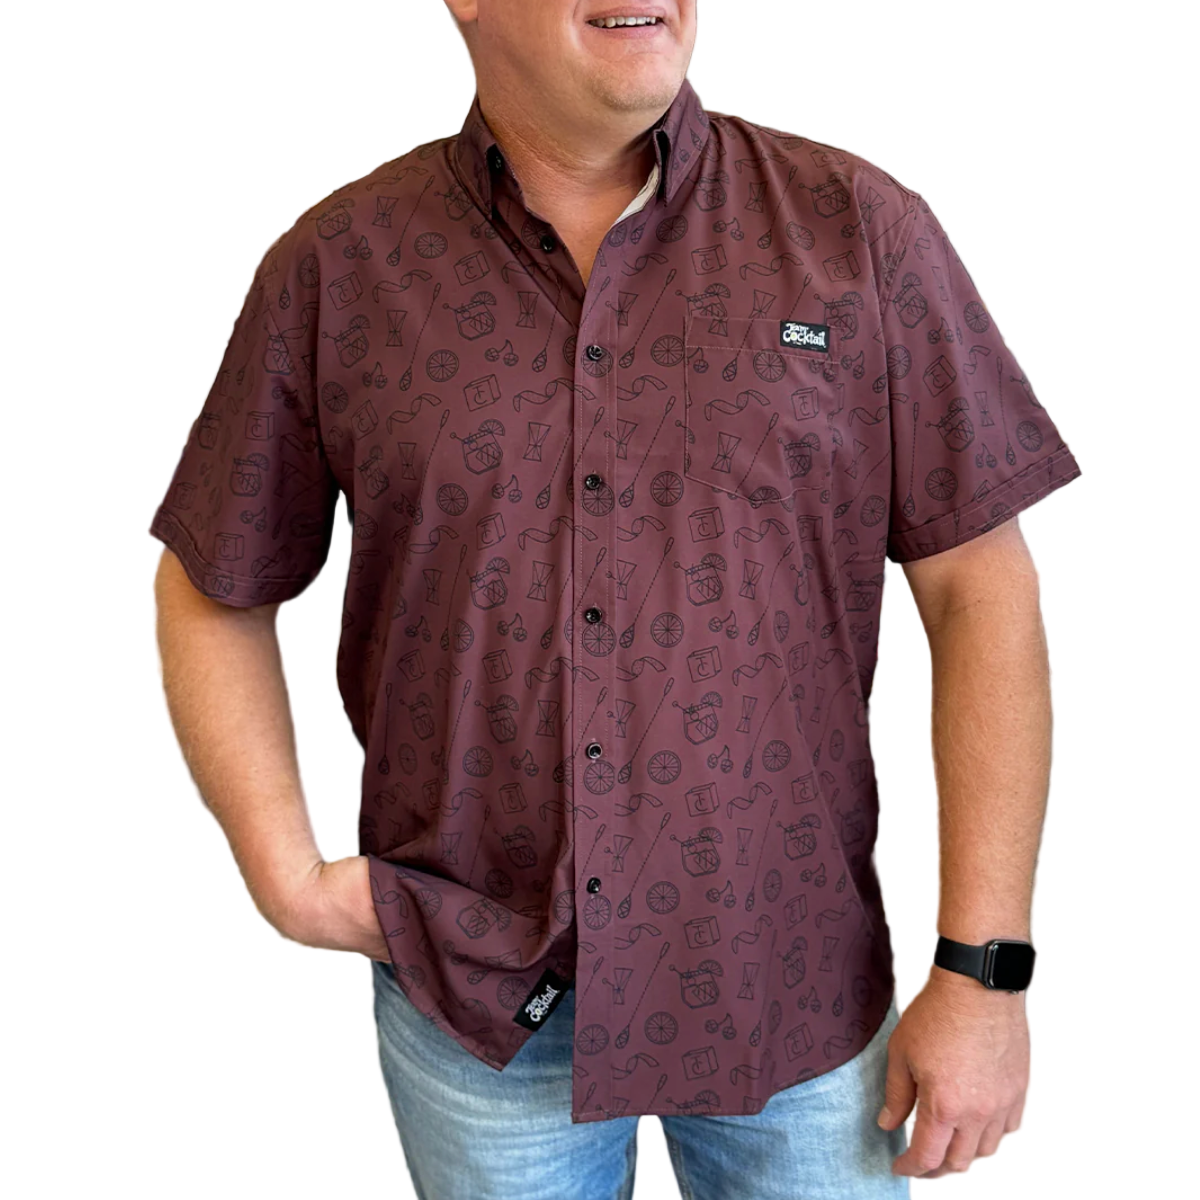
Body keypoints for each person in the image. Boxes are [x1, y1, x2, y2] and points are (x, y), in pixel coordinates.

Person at [148, 3, 1081, 1197]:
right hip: (479, 999)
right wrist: (283, 874)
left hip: (787, 988)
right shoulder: (338, 270)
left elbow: (979, 587)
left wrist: (982, 972)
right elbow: (211, 579)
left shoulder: (852, 230)